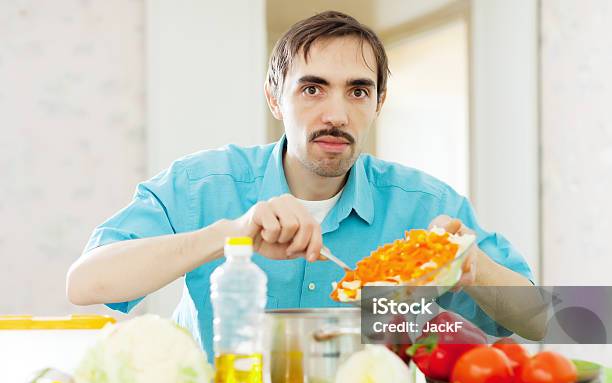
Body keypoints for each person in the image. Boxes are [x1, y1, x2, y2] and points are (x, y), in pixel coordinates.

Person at [67, 11, 540, 360]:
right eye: (312, 89)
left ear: (379, 103)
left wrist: (472, 264)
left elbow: (551, 318)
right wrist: (229, 234)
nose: (336, 114)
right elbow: (85, 283)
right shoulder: (201, 185)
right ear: (275, 97)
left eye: (358, 91)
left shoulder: (425, 207)